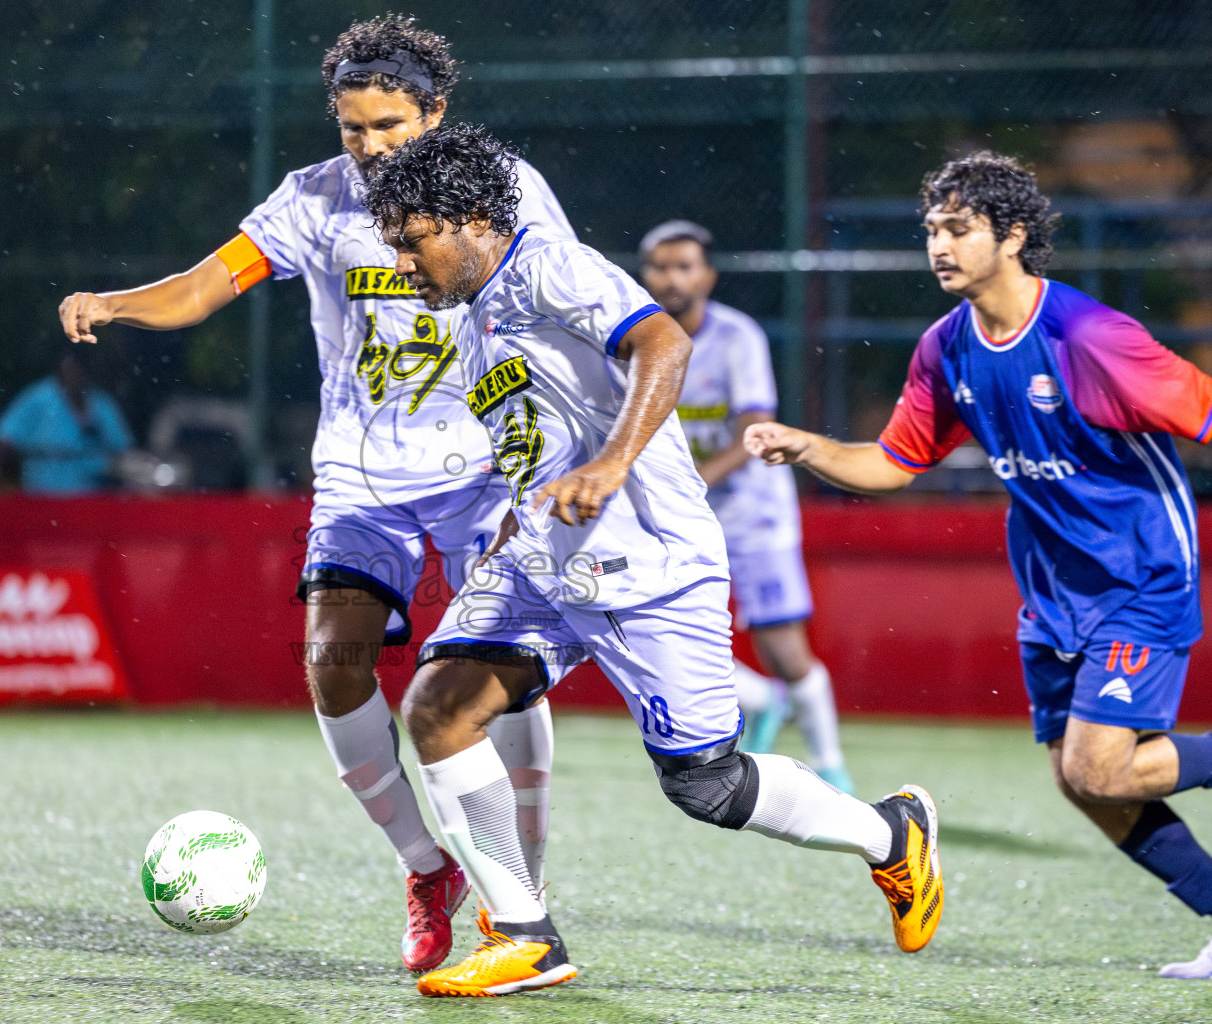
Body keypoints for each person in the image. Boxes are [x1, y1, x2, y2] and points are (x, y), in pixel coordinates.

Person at [364, 122, 944, 999]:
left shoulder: (551, 265)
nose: (403, 267)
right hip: (547, 565)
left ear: (472, 217)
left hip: (650, 566)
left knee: (706, 785)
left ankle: (891, 834)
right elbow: (541, 433)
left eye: (411, 244)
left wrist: (611, 464)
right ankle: (526, 936)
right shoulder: (474, 315)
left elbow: (664, 343)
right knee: (440, 708)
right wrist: (520, 519)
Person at [56, 16, 575, 972]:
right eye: (353, 128)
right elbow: (211, 283)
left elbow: (561, 306)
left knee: (499, 681)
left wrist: (552, 446)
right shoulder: (314, 201)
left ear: (436, 112)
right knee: (334, 664)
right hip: (361, 477)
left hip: (484, 473)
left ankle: (521, 892)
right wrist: (119, 302)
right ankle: (427, 869)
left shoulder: (507, 192)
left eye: (390, 125)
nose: (372, 147)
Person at [744, 151, 1212, 980]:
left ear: (1014, 235)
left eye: (958, 229)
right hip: (1054, 597)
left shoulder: (1090, 338)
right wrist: (809, 446)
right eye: (931, 229)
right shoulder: (947, 347)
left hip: (1140, 581)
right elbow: (894, 463)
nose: (939, 246)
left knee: (1100, 767)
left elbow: (1203, 410)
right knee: (1085, 784)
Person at [640, 220, 852, 793]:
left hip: (753, 514)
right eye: (660, 265)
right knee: (661, 630)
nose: (671, 277)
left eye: (684, 266)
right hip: (680, 515)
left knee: (785, 650)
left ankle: (831, 766)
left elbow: (755, 429)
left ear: (707, 275)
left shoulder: (738, 338)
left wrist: (696, 478)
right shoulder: (637, 340)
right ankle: (760, 702)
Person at [0, 350, 133, 493]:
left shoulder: (102, 404)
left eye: (77, 369)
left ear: (86, 372)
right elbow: (4, 440)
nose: (73, 376)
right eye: (68, 370)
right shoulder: (39, 398)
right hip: (43, 501)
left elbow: (123, 452)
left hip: (92, 505)